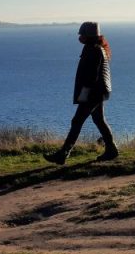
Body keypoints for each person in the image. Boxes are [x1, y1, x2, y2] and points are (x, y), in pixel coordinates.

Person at [44, 21, 118, 164]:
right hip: (98, 91)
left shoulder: (94, 50)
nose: (79, 36)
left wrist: (84, 95)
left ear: (88, 35)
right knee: (99, 120)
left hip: (93, 93)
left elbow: (91, 77)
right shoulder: (94, 48)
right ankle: (111, 149)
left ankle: (63, 154)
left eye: (82, 33)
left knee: (77, 121)